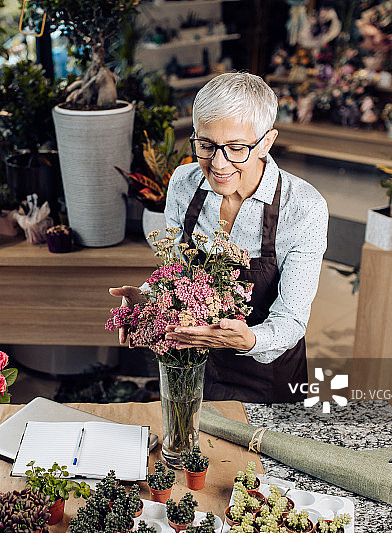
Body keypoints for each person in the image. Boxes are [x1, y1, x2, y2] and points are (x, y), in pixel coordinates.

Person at [110, 72, 328, 403]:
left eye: (237, 148)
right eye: (206, 145)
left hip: (265, 373)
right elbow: (179, 273)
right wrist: (147, 297)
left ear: (266, 142)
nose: (218, 164)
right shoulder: (184, 182)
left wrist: (249, 340)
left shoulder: (302, 207)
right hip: (193, 360)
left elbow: (292, 319)